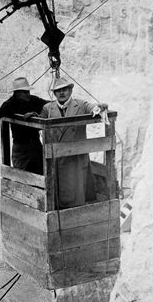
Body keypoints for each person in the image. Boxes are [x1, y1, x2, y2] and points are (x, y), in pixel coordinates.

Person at [39, 77, 107, 209]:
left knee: (77, 194)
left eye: (64, 89)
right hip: (56, 159)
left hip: (76, 159)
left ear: (70, 90)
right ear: (54, 93)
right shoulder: (48, 108)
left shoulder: (81, 105)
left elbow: (93, 109)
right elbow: (40, 119)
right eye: (58, 91)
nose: (62, 93)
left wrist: (99, 108)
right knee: (58, 195)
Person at [0, 77, 48, 174]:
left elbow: (47, 104)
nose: (28, 94)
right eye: (25, 92)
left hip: (36, 145)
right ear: (17, 93)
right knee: (21, 176)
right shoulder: (10, 104)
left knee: (41, 174)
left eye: (28, 92)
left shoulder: (34, 100)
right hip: (21, 148)